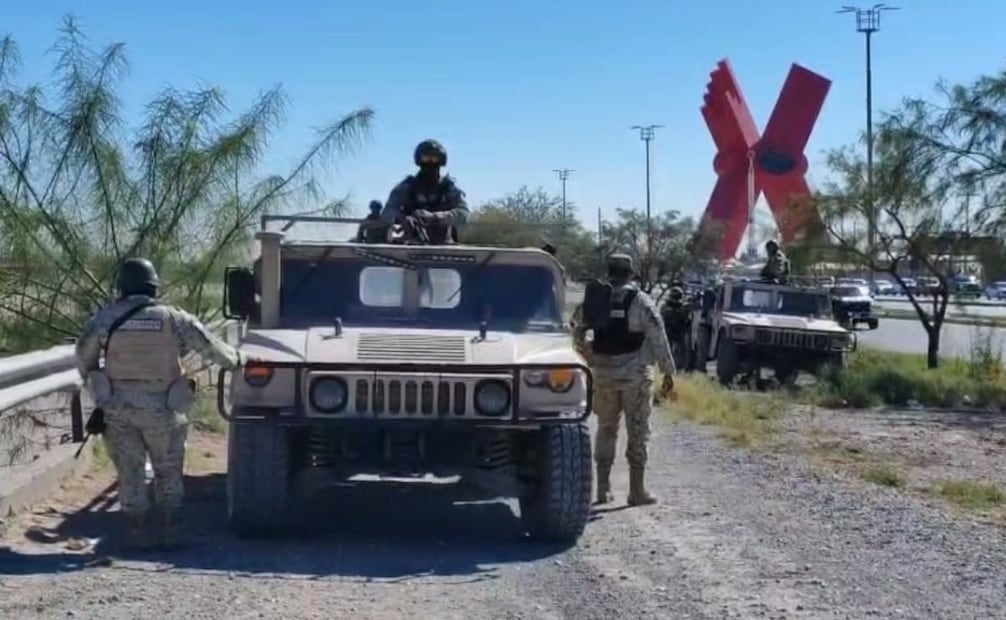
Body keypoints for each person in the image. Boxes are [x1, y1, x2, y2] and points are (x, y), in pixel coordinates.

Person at [74, 258, 250, 551]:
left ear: (121, 287)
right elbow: (211, 347)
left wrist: (100, 386)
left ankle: (137, 531)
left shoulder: (104, 319)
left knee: (130, 471)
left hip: (119, 410)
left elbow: (83, 357)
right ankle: (171, 531)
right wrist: (239, 360)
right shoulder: (174, 318)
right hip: (165, 409)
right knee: (168, 470)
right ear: (153, 287)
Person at [572, 253, 676, 506]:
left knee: (606, 429)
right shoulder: (640, 300)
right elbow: (657, 334)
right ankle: (636, 491)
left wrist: (586, 355)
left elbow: (577, 328)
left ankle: (603, 490)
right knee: (638, 431)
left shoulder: (596, 299)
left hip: (604, 375)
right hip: (635, 377)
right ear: (630, 273)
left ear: (609, 272)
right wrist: (668, 371)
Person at [381, 139, 469, 244]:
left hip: (443, 246)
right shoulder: (407, 187)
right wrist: (402, 218)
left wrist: (434, 217)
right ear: (419, 160)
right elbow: (387, 212)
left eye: (434, 158)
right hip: (411, 245)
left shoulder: (449, 188)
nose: (430, 162)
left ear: (441, 160)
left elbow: (464, 214)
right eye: (426, 158)